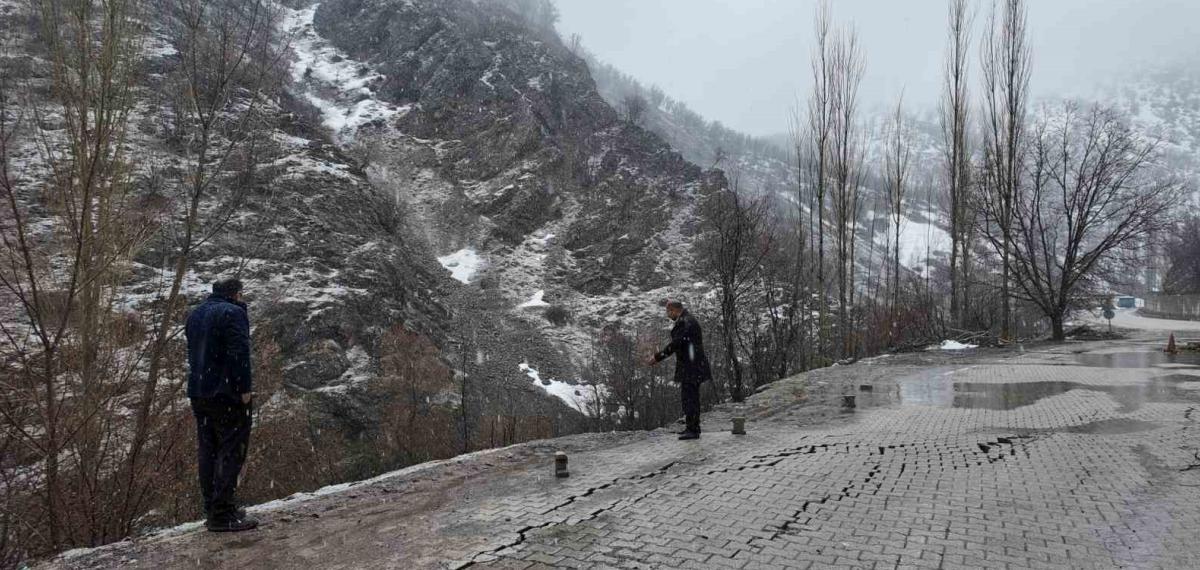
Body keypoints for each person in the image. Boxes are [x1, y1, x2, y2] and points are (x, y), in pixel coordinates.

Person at [186, 278, 259, 532]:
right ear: (237, 293)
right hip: (226, 393)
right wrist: (244, 389)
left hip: (199, 392)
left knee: (208, 451)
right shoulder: (233, 313)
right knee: (231, 451)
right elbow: (240, 353)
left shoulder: (195, 314)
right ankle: (222, 513)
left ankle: (213, 508)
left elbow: (194, 353)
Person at [646, 300, 711, 440]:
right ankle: (691, 427)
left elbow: (676, 344)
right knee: (690, 398)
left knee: (690, 399)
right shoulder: (688, 320)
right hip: (693, 365)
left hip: (691, 367)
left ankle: (693, 429)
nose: (668, 315)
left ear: (674, 310)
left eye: (668, 312)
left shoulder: (685, 322)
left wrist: (657, 357)